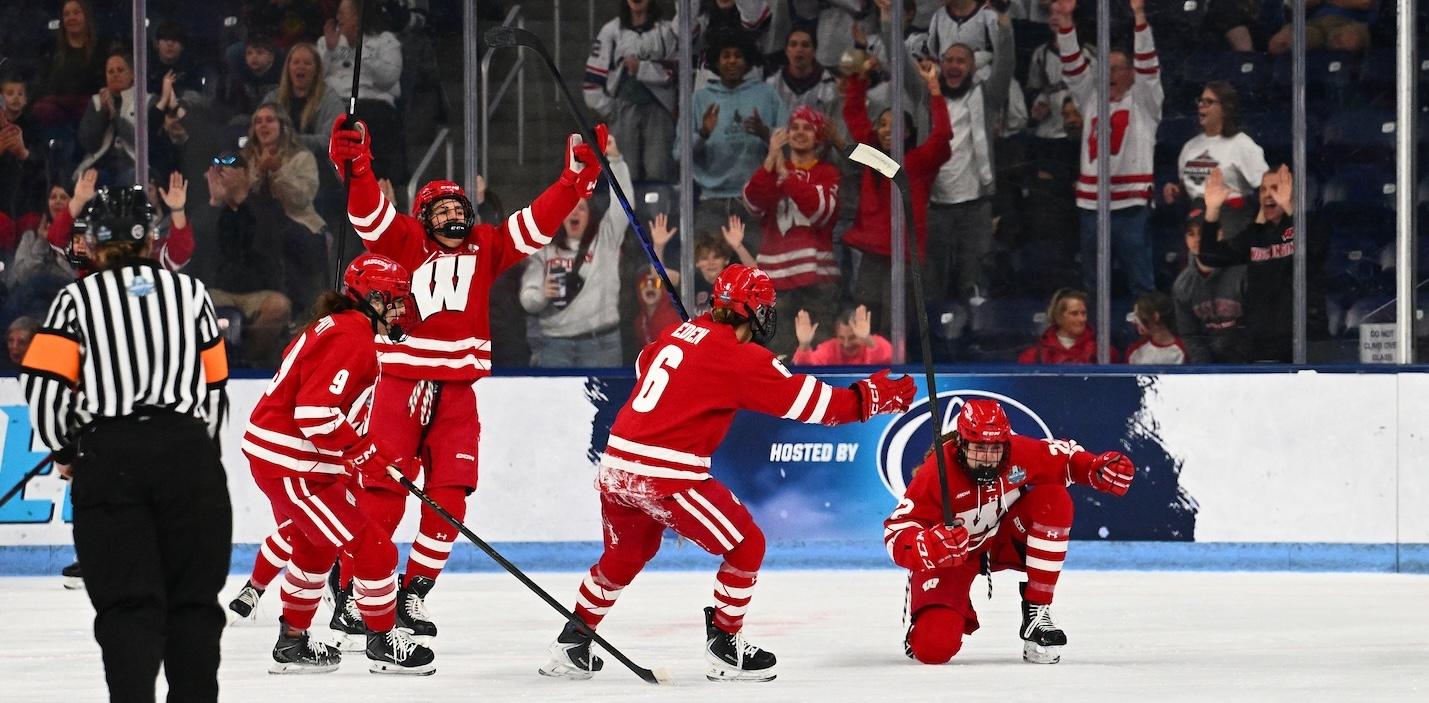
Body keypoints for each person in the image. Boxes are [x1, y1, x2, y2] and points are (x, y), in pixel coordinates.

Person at [539, 264, 916, 682]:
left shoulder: (677, 334)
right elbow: (817, 407)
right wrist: (872, 397)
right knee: (747, 544)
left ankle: (572, 643)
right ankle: (725, 648)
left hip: (616, 467)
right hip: (665, 475)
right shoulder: (740, 357)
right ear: (754, 312)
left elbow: (647, 363)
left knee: (623, 556)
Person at [328, 113, 605, 638]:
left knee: (452, 495)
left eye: (460, 206)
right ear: (424, 215)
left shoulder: (488, 244)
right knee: (383, 494)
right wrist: (358, 166)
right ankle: (353, 591)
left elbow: (538, 221)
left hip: (458, 393)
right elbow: (367, 215)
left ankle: (413, 594)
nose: (453, 214)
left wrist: (574, 180)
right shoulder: (406, 242)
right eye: (442, 207)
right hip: (401, 387)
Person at [18, 185, 232, 701]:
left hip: (111, 458)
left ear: (94, 241)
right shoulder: (192, 293)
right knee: (193, 607)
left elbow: (42, 388)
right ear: (150, 237)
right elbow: (216, 390)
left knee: (128, 609)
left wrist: (69, 453)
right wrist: (196, 457)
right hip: (189, 458)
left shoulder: (76, 299)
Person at [238, 253, 438, 674]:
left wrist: (353, 455)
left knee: (316, 548)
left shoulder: (341, 327)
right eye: (395, 300)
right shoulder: (352, 336)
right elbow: (314, 414)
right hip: (293, 464)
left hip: (296, 460)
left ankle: (291, 645)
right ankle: (383, 643)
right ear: (373, 299)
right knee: (375, 548)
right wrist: (363, 453)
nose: (402, 310)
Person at [885, 398, 1135, 665]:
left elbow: (1067, 460)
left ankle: (1037, 612)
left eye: (995, 448)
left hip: (999, 542)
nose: (988, 458)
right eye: (979, 448)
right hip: (951, 557)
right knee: (934, 649)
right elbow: (897, 530)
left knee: (1053, 498)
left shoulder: (1019, 452)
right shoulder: (937, 471)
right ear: (961, 444)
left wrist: (1096, 468)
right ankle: (921, 627)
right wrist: (927, 545)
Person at [1052, 0, 1162, 297]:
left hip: (1131, 206)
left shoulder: (1145, 102)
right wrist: (1065, 20)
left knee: (1141, 283)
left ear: (1131, 73)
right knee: (1093, 285)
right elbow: (1073, 66)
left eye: (1117, 68)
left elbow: (1149, 67)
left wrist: (1140, 16)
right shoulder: (1091, 97)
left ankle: (1147, 339)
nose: (1109, 74)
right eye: (1105, 68)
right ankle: (1093, 339)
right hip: (1092, 206)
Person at [841, 56, 951, 338]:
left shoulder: (918, 163)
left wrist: (935, 89)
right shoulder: (872, 157)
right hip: (871, 256)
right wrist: (860, 78)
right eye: (883, 124)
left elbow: (942, 136)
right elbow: (854, 116)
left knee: (895, 329)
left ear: (910, 131)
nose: (888, 129)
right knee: (864, 325)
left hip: (904, 257)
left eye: (896, 124)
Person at [520, 134, 633, 368]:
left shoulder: (606, 238)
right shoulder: (544, 249)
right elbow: (527, 300)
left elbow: (624, 206)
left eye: (581, 208)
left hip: (601, 344)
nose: (575, 213)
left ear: (590, 213)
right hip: (555, 345)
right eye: (569, 208)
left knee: (606, 405)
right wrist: (542, 293)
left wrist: (615, 160)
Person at [1197, 165, 1326, 363]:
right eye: (1263, 189)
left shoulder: (1313, 224)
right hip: (1261, 343)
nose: (1268, 195)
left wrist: (1291, 208)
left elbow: (1315, 250)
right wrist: (1212, 210)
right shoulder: (1255, 234)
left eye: (1276, 188)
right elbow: (1209, 257)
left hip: (1304, 343)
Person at [742, 105, 842, 357]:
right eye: (794, 127)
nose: (799, 133)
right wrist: (771, 158)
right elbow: (753, 204)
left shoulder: (826, 173)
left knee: (817, 353)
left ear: (818, 135)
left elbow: (822, 211)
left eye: (807, 128)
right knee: (777, 356)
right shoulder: (771, 169)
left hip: (816, 282)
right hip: (774, 282)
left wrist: (786, 176)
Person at [584, 0, 678, 182]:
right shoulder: (611, 31)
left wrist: (641, 68)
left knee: (659, 171)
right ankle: (623, 211)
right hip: (623, 110)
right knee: (622, 171)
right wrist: (610, 109)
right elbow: (593, 79)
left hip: (658, 111)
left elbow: (675, 72)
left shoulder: (665, 31)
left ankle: (658, 211)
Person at [1163, 81, 1267, 239]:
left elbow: (1265, 185)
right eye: (1200, 100)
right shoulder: (1190, 147)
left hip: (1230, 218)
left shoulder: (1241, 144)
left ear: (1225, 109)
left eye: (1209, 102)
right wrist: (1177, 190)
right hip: (1197, 217)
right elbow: (1192, 186)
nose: (1201, 105)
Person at [1172, 211, 1248, 363]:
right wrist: (1206, 370)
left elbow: (1259, 325)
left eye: (1203, 232)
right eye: (1191, 234)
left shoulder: (1244, 272)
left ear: (1219, 234)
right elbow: (1190, 334)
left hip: (1250, 365)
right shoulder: (1182, 285)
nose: (1197, 239)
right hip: (1211, 370)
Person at [1018, 287, 1117, 364]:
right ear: (1058, 317)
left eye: (1084, 313)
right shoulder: (1034, 356)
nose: (1082, 319)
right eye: (1074, 314)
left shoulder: (1102, 353)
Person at [792, 305, 894, 365]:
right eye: (841, 338)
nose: (846, 344)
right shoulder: (830, 348)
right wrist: (804, 345)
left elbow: (890, 357)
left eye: (852, 337)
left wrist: (866, 339)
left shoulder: (873, 344)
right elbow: (806, 369)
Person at [1123, 291, 1186, 364]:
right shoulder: (1134, 351)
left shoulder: (1184, 349)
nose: (1134, 321)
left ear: (1155, 317)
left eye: (1138, 315)